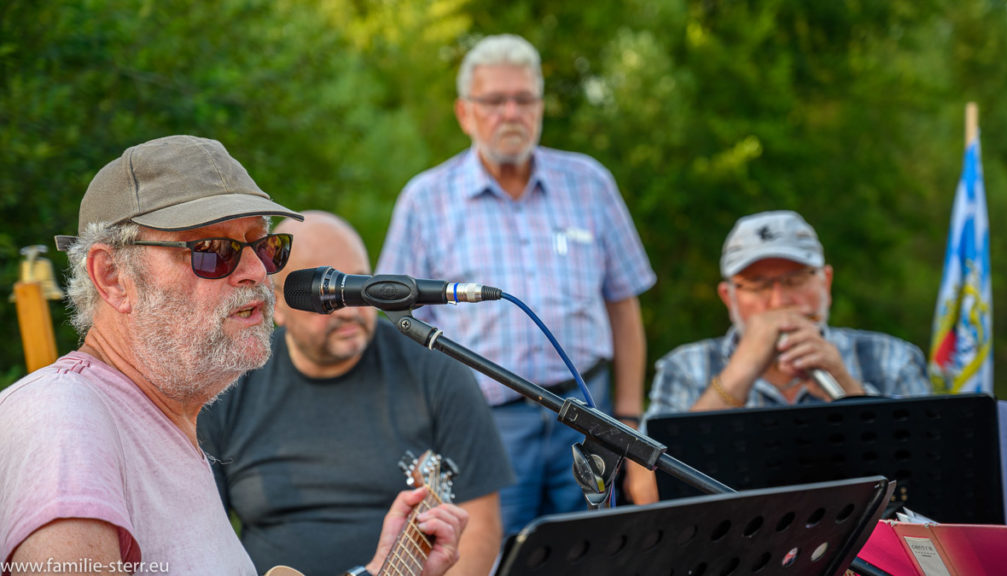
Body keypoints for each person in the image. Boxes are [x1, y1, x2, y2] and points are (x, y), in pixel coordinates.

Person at [0, 135, 467, 576]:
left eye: (264, 247)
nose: (255, 272)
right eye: (212, 251)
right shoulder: (65, 419)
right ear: (113, 277)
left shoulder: (167, 423)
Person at [376, 34, 657, 533]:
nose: (511, 112)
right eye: (494, 101)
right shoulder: (425, 200)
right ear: (465, 113)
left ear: (541, 107)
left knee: (596, 558)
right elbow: (398, 329)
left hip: (589, 415)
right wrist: (421, 435)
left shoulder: (589, 183)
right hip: (484, 425)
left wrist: (629, 421)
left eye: (524, 99)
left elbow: (624, 305)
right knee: (495, 559)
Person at [198, 211, 514, 576]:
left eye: (358, 284)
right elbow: (202, 541)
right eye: (327, 295)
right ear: (277, 305)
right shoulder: (228, 385)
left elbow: (478, 527)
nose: (348, 309)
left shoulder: (436, 369)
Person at [627, 209, 931, 504]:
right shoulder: (684, 367)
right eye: (757, 285)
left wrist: (847, 390)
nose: (779, 301)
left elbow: (935, 481)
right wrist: (738, 376)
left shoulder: (893, 358)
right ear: (728, 296)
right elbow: (646, 492)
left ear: (825, 281)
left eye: (795, 279)